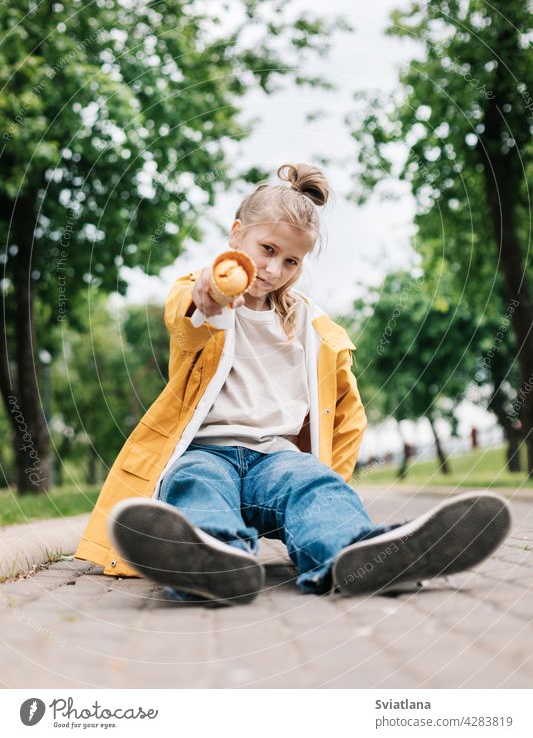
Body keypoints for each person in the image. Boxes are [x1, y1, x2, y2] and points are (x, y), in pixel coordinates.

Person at [75, 163, 511, 605]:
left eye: (290, 260)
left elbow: (345, 418)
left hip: (275, 459)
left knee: (313, 486)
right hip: (207, 452)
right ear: (236, 234)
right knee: (193, 484)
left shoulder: (312, 326)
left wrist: (329, 477)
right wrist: (209, 291)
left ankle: (360, 554)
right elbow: (187, 309)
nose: (273, 268)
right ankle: (212, 561)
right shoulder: (207, 295)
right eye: (266, 249)